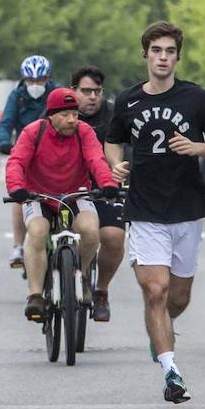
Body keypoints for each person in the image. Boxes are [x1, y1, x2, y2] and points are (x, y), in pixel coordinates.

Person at [104, 21, 205, 405]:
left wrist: (197, 148)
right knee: (154, 290)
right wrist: (115, 165)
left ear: (177, 56)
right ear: (145, 54)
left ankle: (163, 330)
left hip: (187, 206)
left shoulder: (196, 99)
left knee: (177, 298)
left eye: (169, 51)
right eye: (156, 50)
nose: (162, 57)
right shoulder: (126, 101)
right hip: (144, 207)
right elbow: (113, 143)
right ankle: (171, 372)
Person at [5, 88, 118, 322]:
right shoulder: (33, 132)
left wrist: (107, 183)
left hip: (76, 194)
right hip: (39, 195)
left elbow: (96, 159)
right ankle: (36, 295)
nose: (72, 120)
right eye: (65, 115)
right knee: (37, 232)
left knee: (90, 230)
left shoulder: (84, 132)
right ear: (51, 116)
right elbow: (16, 162)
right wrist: (16, 187)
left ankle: (82, 275)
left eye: (75, 114)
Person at [71, 65, 122, 321]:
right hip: (65, 187)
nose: (92, 97)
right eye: (86, 91)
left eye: (97, 91)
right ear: (73, 91)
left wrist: (123, 172)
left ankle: (100, 289)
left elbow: (128, 147)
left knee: (112, 237)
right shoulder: (60, 111)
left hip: (105, 186)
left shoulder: (114, 114)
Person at [0, 55, 58, 269]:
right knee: (18, 195)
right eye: (30, 81)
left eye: (40, 80)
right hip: (25, 151)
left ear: (48, 78)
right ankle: (18, 246)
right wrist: (4, 142)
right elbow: (5, 122)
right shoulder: (17, 95)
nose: (35, 85)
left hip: (55, 150)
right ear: (23, 79)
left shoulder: (56, 93)